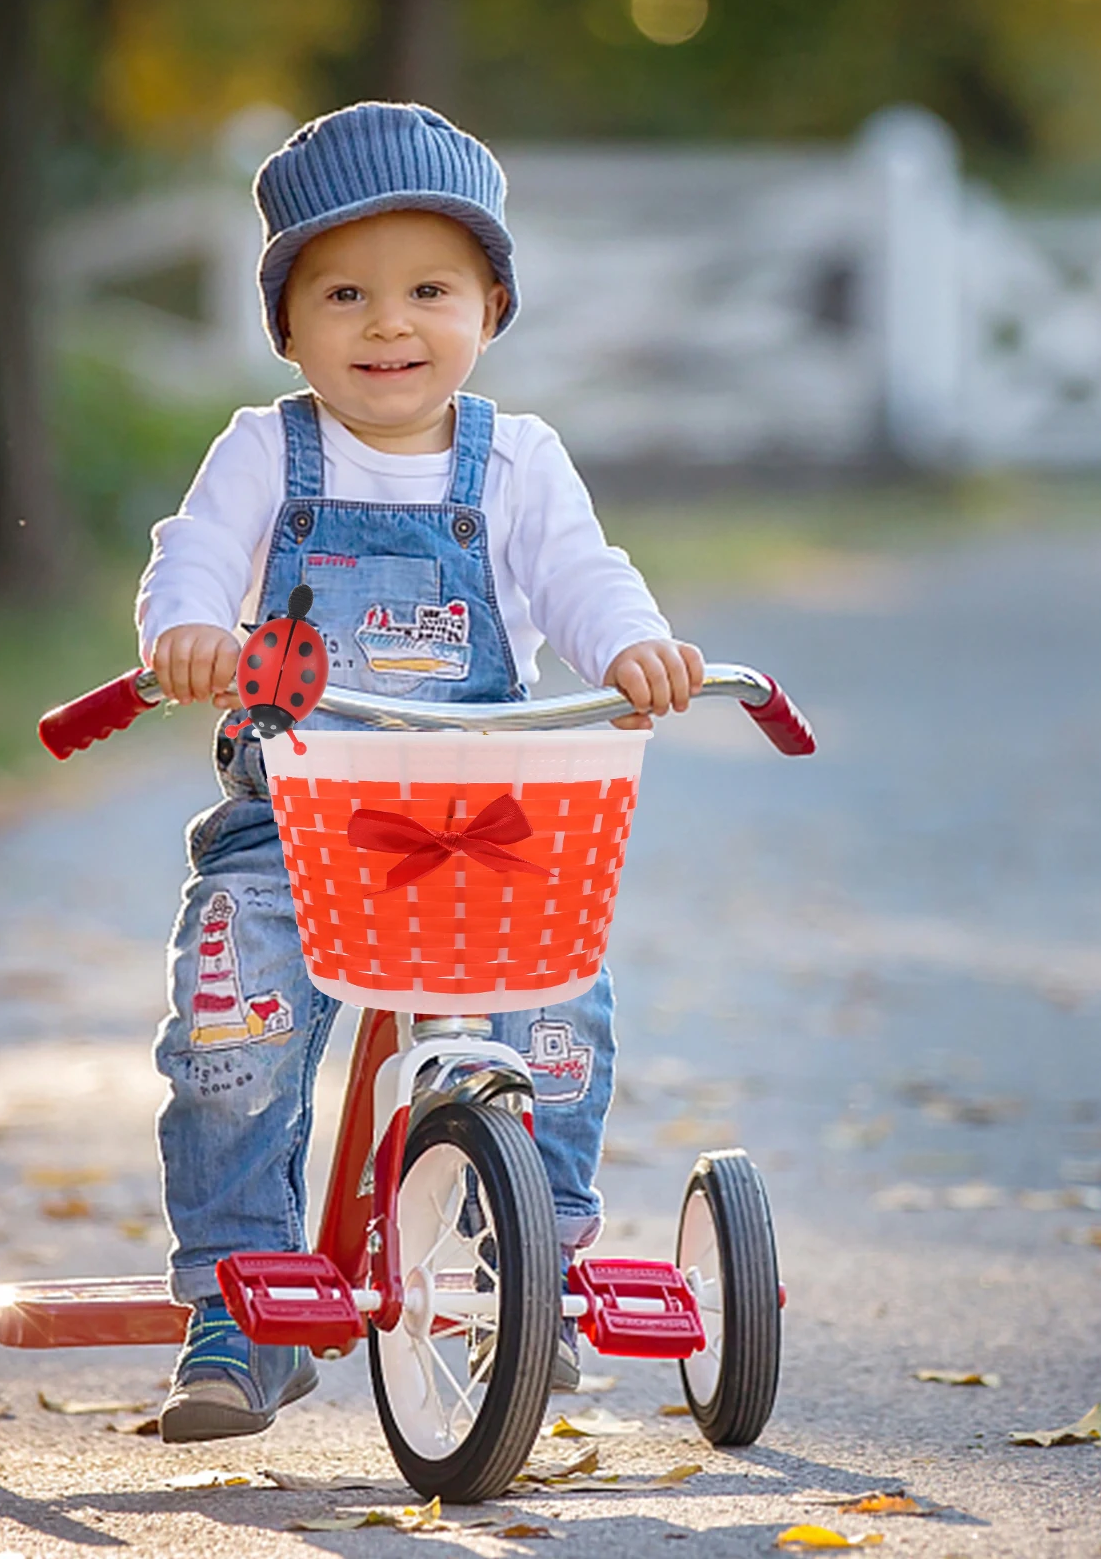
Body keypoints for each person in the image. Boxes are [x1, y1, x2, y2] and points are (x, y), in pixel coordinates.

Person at [135, 101, 704, 1443]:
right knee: (231, 1039)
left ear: (490, 307)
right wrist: (190, 630)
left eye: (429, 291)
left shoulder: (518, 459)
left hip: (480, 820)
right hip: (296, 821)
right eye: (345, 293)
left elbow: (581, 574)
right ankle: (236, 1305)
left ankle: (532, 1263)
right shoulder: (264, 450)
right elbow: (194, 554)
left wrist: (633, 646)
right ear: (286, 324)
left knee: (557, 1017)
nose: (388, 324)